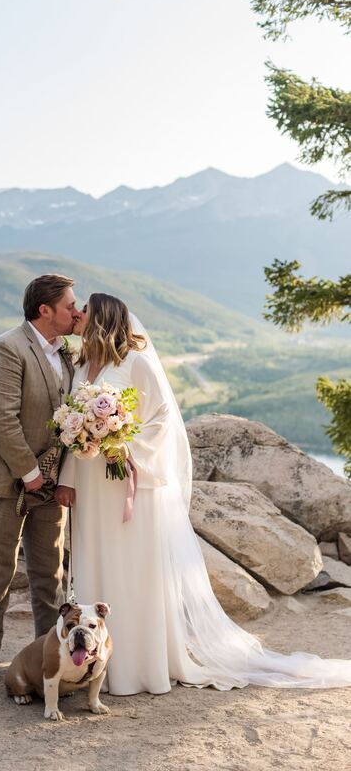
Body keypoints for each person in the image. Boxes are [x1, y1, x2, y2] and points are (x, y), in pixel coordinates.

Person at [55, 293, 351, 694]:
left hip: (128, 482)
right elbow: (75, 429)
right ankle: (93, 664)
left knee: (130, 570)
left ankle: (139, 666)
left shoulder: (136, 363)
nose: (77, 314)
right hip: (91, 487)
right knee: (98, 561)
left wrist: (124, 445)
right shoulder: (81, 365)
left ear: (102, 318)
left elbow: (162, 420)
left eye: (84, 310)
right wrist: (69, 478)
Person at [0, 274, 80, 692]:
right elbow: (2, 420)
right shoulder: (6, 348)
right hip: (7, 482)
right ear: (44, 310)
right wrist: (30, 474)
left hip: (50, 486)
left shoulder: (68, 353)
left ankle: (45, 660)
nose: (77, 312)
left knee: (50, 577)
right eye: (70, 305)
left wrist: (56, 477)